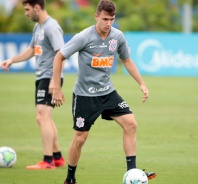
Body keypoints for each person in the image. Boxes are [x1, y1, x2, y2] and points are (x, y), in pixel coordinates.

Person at [50, 0, 157, 183]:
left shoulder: (118, 36)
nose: (109, 23)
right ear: (96, 16)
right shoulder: (84, 37)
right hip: (85, 96)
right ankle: (70, 178)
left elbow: (127, 61)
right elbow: (59, 56)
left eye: (112, 19)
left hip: (107, 93)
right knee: (80, 138)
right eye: (105, 19)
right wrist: (56, 86)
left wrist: (142, 83)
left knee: (131, 124)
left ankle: (132, 174)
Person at [0, 0, 65, 170]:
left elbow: (61, 53)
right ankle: (57, 157)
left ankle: (48, 160)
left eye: (27, 9)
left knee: (41, 116)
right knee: (46, 117)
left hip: (50, 78)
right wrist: (12, 60)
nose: (26, 13)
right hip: (43, 77)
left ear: (37, 7)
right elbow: (31, 50)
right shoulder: (38, 27)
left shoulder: (52, 27)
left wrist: (55, 81)